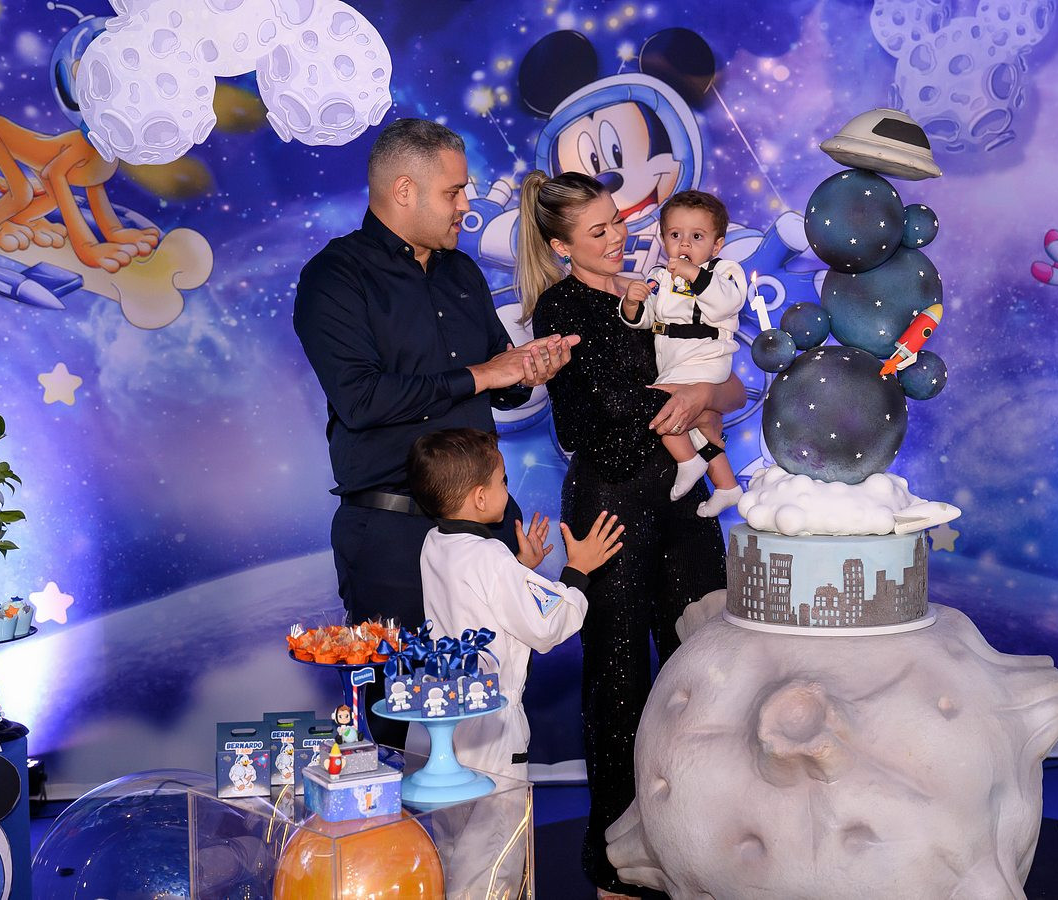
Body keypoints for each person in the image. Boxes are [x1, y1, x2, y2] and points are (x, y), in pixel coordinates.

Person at [292, 119, 577, 746]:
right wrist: (483, 374)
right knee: (399, 719)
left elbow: (498, 380)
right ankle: (400, 816)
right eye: (453, 192)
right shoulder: (336, 276)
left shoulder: (461, 272)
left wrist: (527, 371)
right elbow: (362, 399)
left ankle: (492, 815)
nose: (466, 205)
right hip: (391, 536)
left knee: (497, 704)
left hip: (487, 529)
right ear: (404, 190)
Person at [515, 170, 742, 899]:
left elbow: (732, 383)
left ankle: (702, 841)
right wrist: (690, 395)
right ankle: (616, 859)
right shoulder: (562, 305)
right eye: (599, 230)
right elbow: (613, 403)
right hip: (612, 501)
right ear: (561, 246)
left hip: (683, 498)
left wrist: (705, 390)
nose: (618, 235)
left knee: (704, 663)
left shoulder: (663, 285)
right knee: (619, 679)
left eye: (618, 219)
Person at [407, 427, 623, 899]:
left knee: (448, 848)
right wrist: (577, 571)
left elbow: (480, 608)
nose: (508, 490)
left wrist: (521, 572)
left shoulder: (433, 544)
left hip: (442, 719)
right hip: (490, 730)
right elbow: (546, 626)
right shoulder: (490, 556)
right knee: (493, 857)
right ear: (481, 497)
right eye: (503, 481)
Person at [619, 190, 747, 517]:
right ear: (663, 239)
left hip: (706, 359)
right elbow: (649, 319)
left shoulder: (724, 272)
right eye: (676, 235)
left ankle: (688, 462)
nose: (685, 244)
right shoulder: (661, 277)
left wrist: (693, 274)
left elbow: (727, 302)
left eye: (697, 237)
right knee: (695, 426)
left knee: (658, 403)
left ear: (716, 245)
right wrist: (633, 304)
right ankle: (727, 486)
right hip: (675, 363)